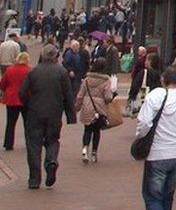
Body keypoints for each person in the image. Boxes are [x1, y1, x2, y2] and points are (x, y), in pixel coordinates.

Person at [136, 66, 176, 210]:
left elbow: (145, 122)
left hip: (157, 153)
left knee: (153, 196)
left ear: (163, 79)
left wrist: (140, 136)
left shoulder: (155, 95)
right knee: (168, 194)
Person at [19, 44, 76, 188]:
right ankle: (51, 161)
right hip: (54, 113)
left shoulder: (33, 72)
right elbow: (68, 95)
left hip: (35, 113)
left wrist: (27, 105)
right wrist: (71, 116)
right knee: (52, 140)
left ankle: (34, 179)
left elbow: (22, 93)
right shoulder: (62, 72)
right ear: (56, 56)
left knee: (33, 145)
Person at [74, 57, 113, 164]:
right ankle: (94, 153)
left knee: (87, 129)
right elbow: (108, 97)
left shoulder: (86, 80)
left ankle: (84, 149)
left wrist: (77, 107)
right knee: (96, 131)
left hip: (87, 106)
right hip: (99, 108)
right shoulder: (106, 81)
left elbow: (80, 95)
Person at [1, 52, 30, 150]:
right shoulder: (29, 71)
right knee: (27, 123)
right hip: (26, 99)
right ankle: (29, 142)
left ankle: (8, 144)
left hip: (12, 98)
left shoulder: (10, 70)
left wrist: (7, 91)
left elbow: (3, 84)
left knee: (10, 123)